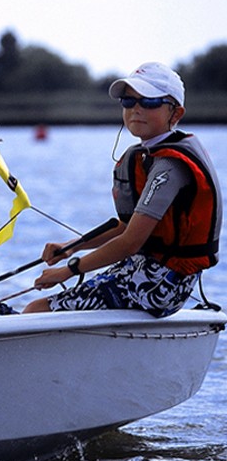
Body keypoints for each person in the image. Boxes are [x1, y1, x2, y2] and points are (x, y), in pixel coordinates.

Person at [23, 62, 221, 316]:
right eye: (129, 102)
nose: (136, 110)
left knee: (36, 309)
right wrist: (71, 247)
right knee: (40, 307)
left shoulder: (169, 166)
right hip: (144, 268)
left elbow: (130, 241)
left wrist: (68, 270)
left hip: (163, 285)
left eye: (149, 102)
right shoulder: (148, 156)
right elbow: (128, 226)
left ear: (176, 113)